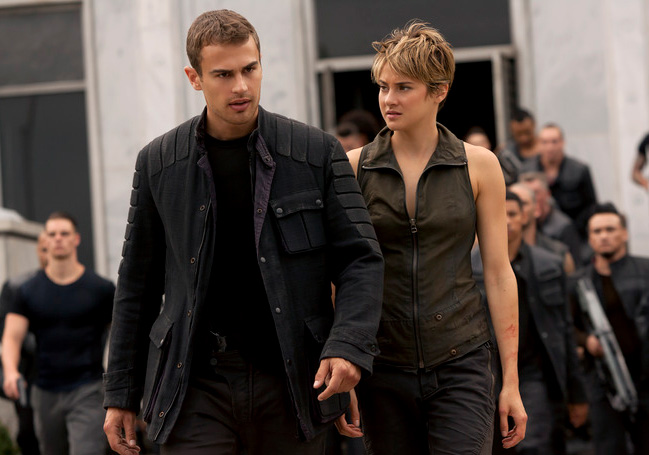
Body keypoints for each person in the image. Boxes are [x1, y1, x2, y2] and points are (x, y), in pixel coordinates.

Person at [102, 9, 384, 455]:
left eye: (250, 69)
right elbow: (136, 284)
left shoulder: (315, 152)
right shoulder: (158, 163)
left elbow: (360, 259)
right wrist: (120, 393)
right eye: (223, 74)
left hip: (294, 380)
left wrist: (348, 347)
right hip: (195, 384)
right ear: (194, 78)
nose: (241, 86)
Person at [346, 21, 526, 454]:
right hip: (382, 364)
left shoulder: (479, 165)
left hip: (462, 358)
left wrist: (511, 381)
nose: (388, 99)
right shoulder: (353, 167)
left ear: (439, 91)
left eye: (403, 87)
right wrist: (344, 365)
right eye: (383, 87)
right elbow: (340, 275)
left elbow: (499, 273)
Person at [472, 191, 588, 454]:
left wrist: (577, 393)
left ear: (525, 216)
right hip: (485, 374)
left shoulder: (549, 265)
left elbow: (564, 331)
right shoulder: (469, 267)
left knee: (535, 445)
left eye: (512, 213)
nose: (506, 220)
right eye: (499, 214)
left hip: (535, 373)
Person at [1, 212, 114, 455]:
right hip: (45, 390)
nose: (58, 238)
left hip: (88, 387)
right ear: (45, 240)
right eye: (52, 234)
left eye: (64, 233)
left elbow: (120, 335)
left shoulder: (100, 289)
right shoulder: (28, 291)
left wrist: (120, 376)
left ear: (76, 239)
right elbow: (11, 337)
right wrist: (10, 371)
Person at [570, 203, 649, 455]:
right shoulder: (580, 282)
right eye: (597, 231)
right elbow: (566, 327)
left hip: (644, 374)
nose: (604, 236)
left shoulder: (645, 270)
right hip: (603, 379)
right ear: (589, 238)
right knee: (609, 446)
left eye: (610, 229)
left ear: (624, 233)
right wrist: (587, 341)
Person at [0, 231, 47, 455]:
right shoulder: (18, 287)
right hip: (29, 372)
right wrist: (11, 372)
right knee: (29, 433)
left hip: (71, 376)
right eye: (44, 249)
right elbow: (7, 335)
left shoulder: (86, 286)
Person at [527, 124, 597, 238]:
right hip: (537, 234)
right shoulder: (527, 171)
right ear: (538, 143)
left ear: (562, 142)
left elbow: (591, 206)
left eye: (554, 141)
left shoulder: (579, 170)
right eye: (544, 142)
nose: (550, 147)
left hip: (574, 233)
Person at [519, 172, 586, 266]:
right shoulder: (518, 224)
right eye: (527, 194)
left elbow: (576, 265)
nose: (532, 198)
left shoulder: (563, 227)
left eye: (536, 193)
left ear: (548, 194)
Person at [508, 182, 575, 275]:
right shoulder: (496, 255)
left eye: (522, 203)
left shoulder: (558, 252)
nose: (517, 209)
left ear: (537, 209)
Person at [496, 108, 539, 185]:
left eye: (527, 132)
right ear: (511, 130)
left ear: (534, 125)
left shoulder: (547, 149)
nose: (524, 138)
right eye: (519, 134)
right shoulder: (506, 155)